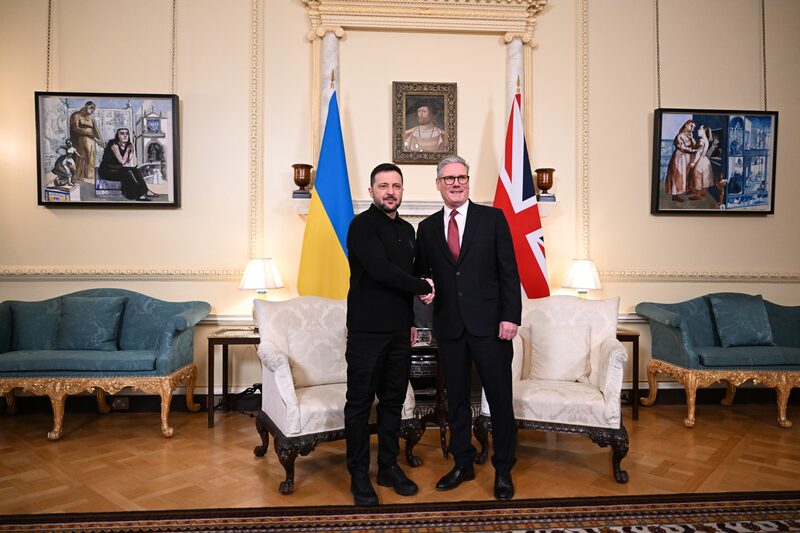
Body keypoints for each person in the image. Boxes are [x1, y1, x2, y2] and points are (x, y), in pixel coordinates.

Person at [415, 154, 521, 501]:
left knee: (500, 400)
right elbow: (423, 275)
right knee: (456, 401)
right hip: (450, 327)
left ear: (468, 181)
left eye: (461, 177)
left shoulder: (493, 219)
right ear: (438, 185)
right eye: (449, 179)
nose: (456, 183)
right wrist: (425, 294)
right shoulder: (427, 228)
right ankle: (463, 463)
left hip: (492, 327)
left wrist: (511, 317)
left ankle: (503, 469)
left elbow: (509, 271)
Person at [344, 162, 435, 507]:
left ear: (402, 190)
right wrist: (422, 286)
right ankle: (357, 474)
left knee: (393, 402)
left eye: (396, 186)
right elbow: (382, 272)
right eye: (383, 186)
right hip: (367, 332)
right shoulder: (361, 226)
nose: (390, 192)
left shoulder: (408, 231)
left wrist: (413, 318)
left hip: (399, 331)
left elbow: (407, 277)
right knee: (359, 404)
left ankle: (387, 467)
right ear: (371, 192)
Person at [98, 128, 159, 201]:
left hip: (116, 169)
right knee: (128, 173)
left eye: (127, 134)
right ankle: (139, 195)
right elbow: (122, 162)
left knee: (134, 169)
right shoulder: (114, 145)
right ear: (117, 136)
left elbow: (129, 160)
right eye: (122, 133)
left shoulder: (126, 145)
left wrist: (132, 150)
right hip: (106, 171)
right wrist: (127, 150)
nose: (125, 135)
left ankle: (146, 191)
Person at [69, 101, 104, 182]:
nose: (92, 110)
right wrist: (87, 133)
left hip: (92, 140)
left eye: (94, 109)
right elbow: (75, 128)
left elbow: (96, 129)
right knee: (82, 156)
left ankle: (89, 176)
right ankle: (79, 175)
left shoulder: (91, 118)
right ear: (85, 106)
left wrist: (100, 140)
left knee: (91, 156)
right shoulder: (76, 115)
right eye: (91, 108)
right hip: (81, 139)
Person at [663, 119, 697, 203]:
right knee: (677, 175)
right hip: (680, 157)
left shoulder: (689, 135)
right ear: (686, 125)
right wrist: (691, 150)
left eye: (694, 127)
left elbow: (695, 145)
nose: (692, 128)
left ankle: (686, 189)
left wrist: (692, 138)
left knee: (687, 175)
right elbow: (682, 147)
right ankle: (675, 195)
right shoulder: (680, 135)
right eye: (691, 126)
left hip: (688, 158)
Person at [688, 125, 715, 201]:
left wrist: (693, 162)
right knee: (705, 177)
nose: (698, 130)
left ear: (704, 131)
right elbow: (698, 149)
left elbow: (698, 153)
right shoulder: (705, 140)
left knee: (698, 177)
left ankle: (698, 195)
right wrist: (692, 138)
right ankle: (703, 192)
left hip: (700, 160)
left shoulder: (702, 141)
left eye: (700, 129)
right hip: (705, 161)